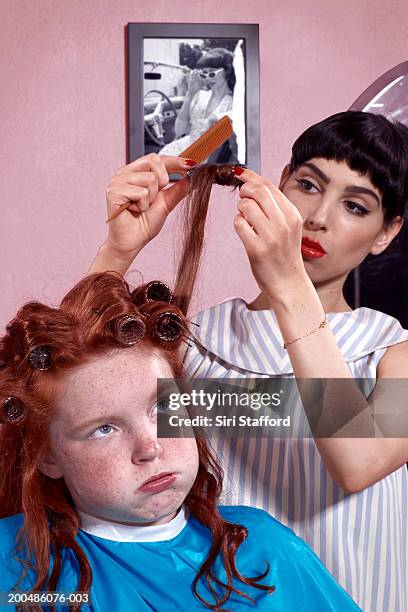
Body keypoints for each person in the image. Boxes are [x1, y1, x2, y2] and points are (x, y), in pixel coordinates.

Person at [88, 111, 408, 612]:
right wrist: (117, 251)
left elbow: (357, 461)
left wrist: (288, 285)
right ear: (279, 184)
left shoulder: (394, 353)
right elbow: (60, 404)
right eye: (308, 184)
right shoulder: (190, 343)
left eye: (355, 206)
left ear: (387, 232)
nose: (318, 216)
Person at [0, 273, 360, 611]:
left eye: (163, 406)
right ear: (47, 456)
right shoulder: (18, 564)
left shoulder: (261, 544)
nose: (149, 448)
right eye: (104, 429)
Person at [159, 48, 235, 160]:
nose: (208, 78)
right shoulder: (200, 96)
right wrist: (190, 94)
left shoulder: (232, 103)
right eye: (204, 73)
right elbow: (179, 130)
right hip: (187, 145)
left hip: (204, 155)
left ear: (227, 71)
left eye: (212, 73)